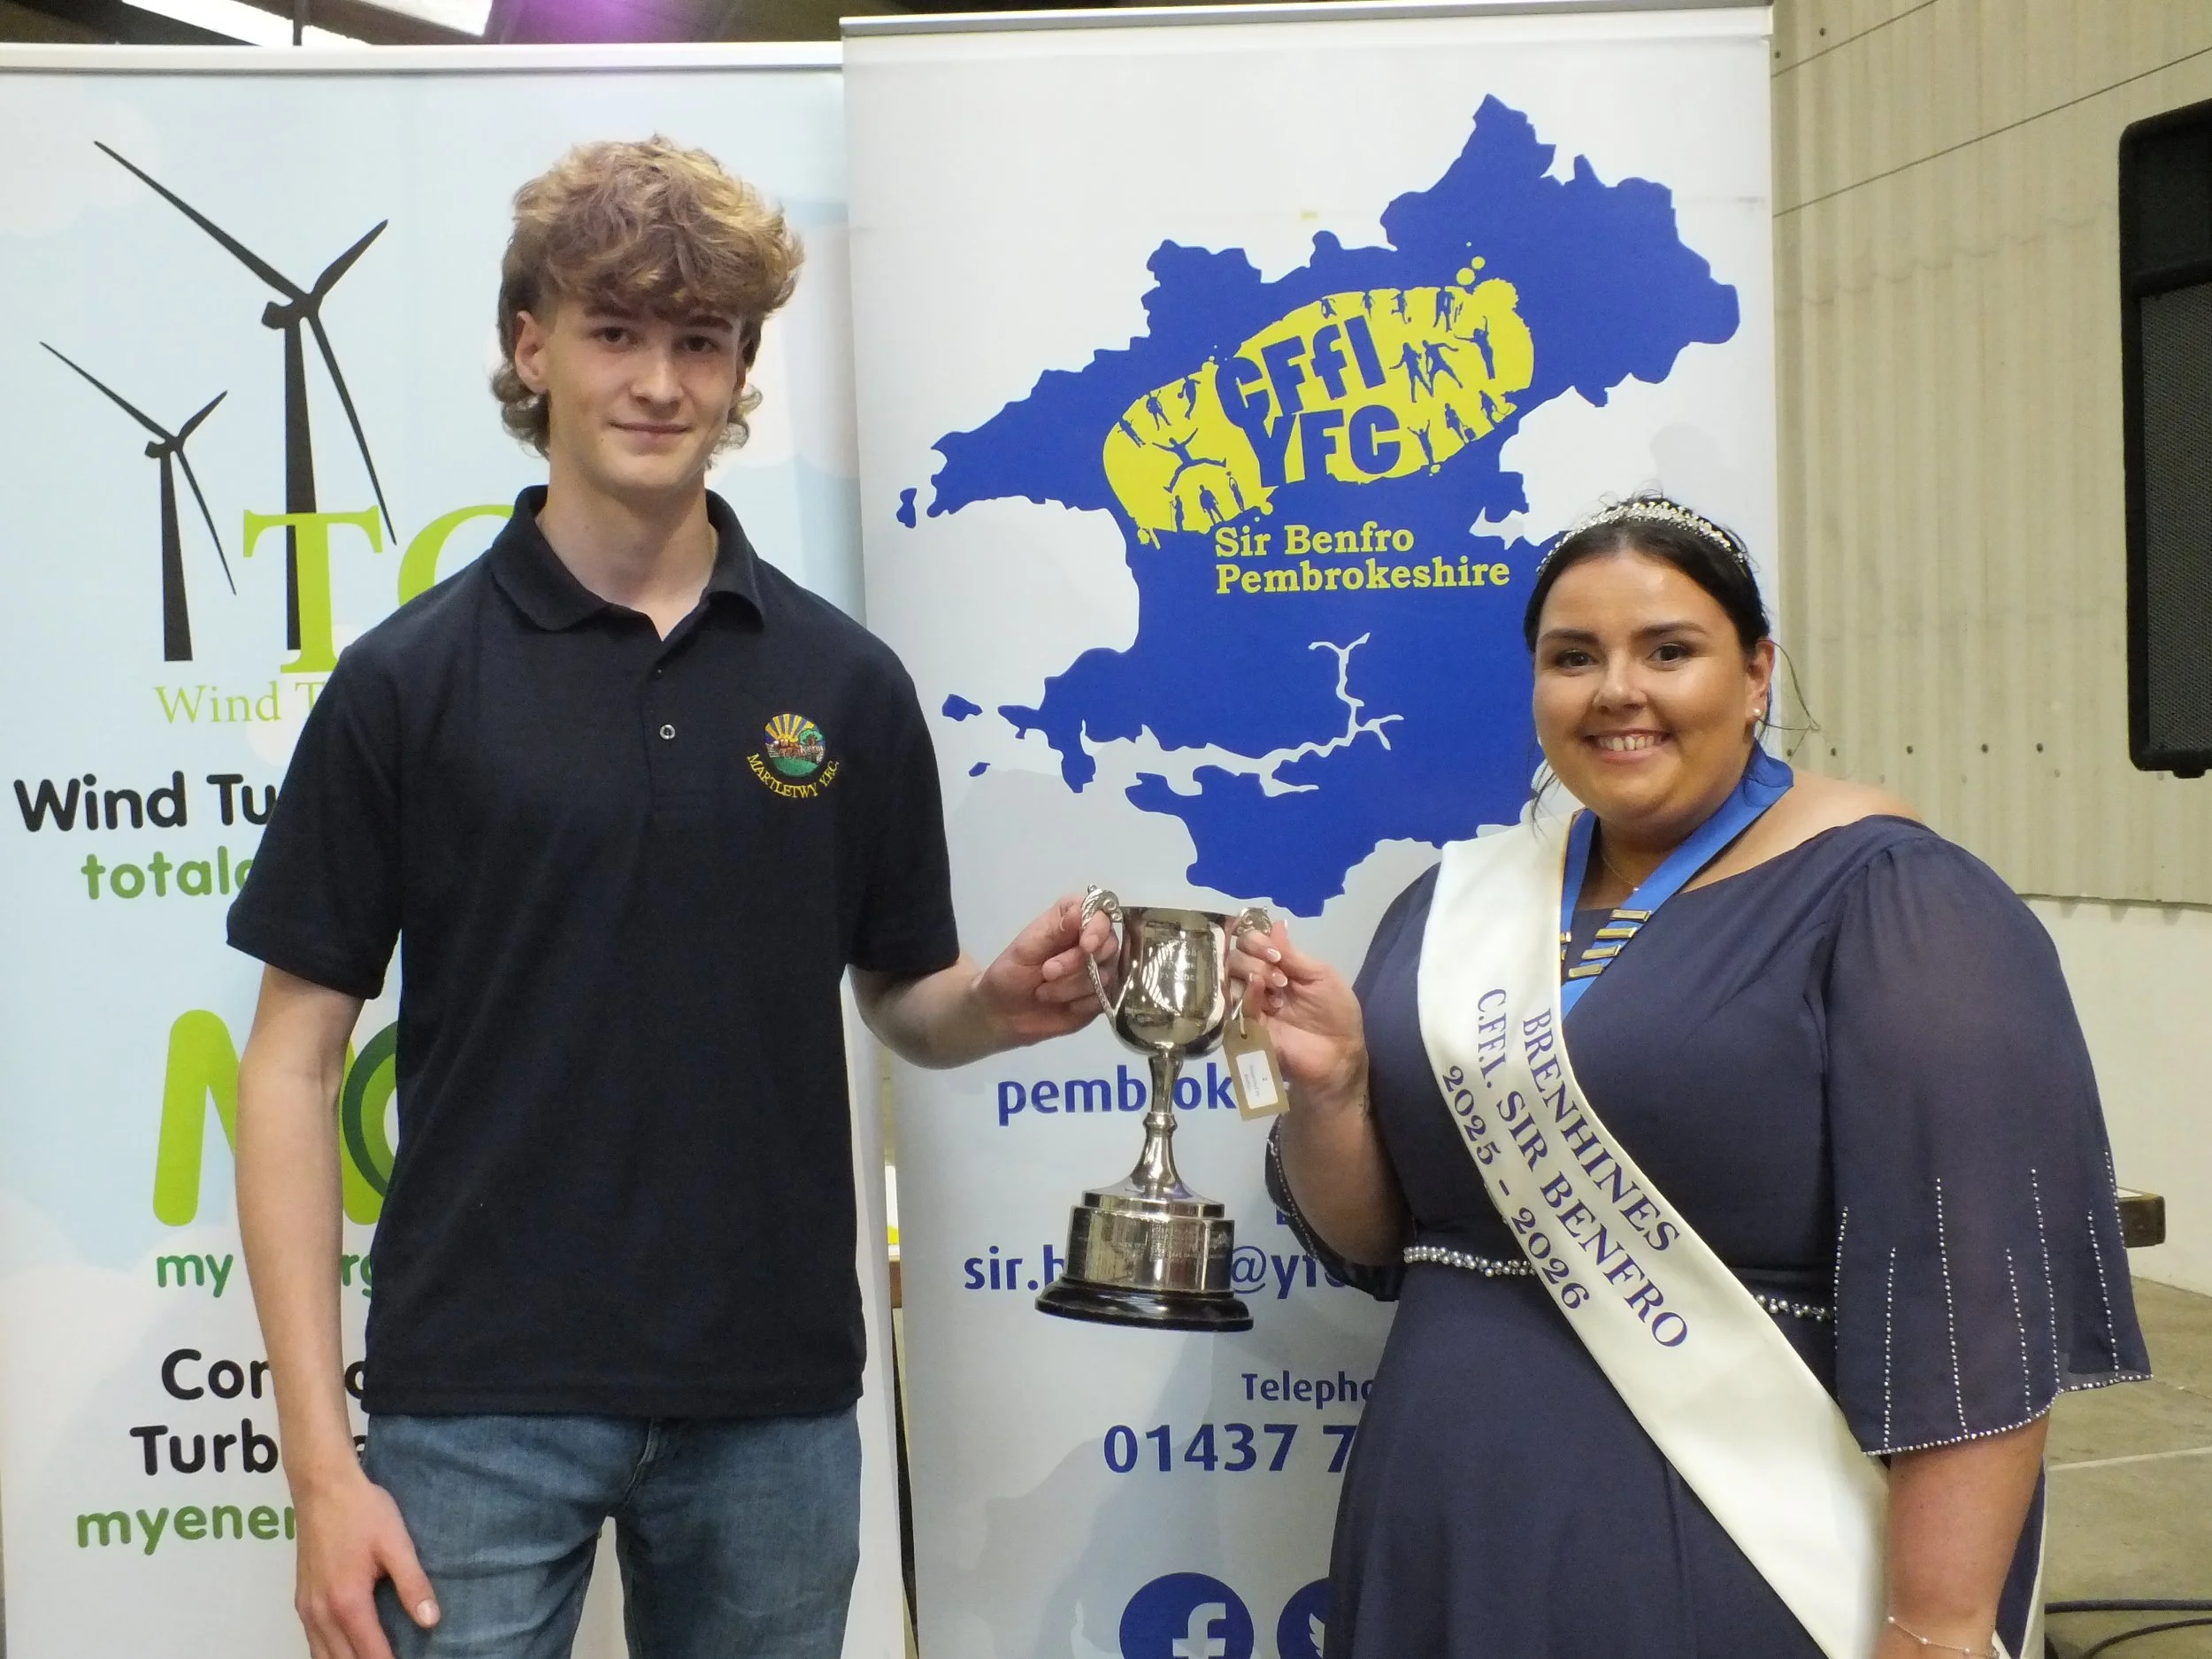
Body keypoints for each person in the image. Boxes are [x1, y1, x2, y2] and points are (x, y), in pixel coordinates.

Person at [227, 137, 1110, 1659]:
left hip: (772, 1405)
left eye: (698, 339)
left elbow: (906, 993)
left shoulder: (843, 679)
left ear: (741, 364)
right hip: (473, 1403)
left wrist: (996, 1004)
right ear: (532, 346)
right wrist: (322, 1470)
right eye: (615, 330)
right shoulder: (404, 685)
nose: (657, 379)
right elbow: (292, 1065)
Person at [1235, 495, 2149, 1659]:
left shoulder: (1895, 898)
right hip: (1445, 1521)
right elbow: (1375, 1241)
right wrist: (1337, 1090)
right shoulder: (1456, 900)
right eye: (1575, 658)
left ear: (1758, 672)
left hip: (1728, 1542)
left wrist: (1940, 1623)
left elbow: (1974, 1299)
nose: (1618, 689)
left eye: (1670, 650)